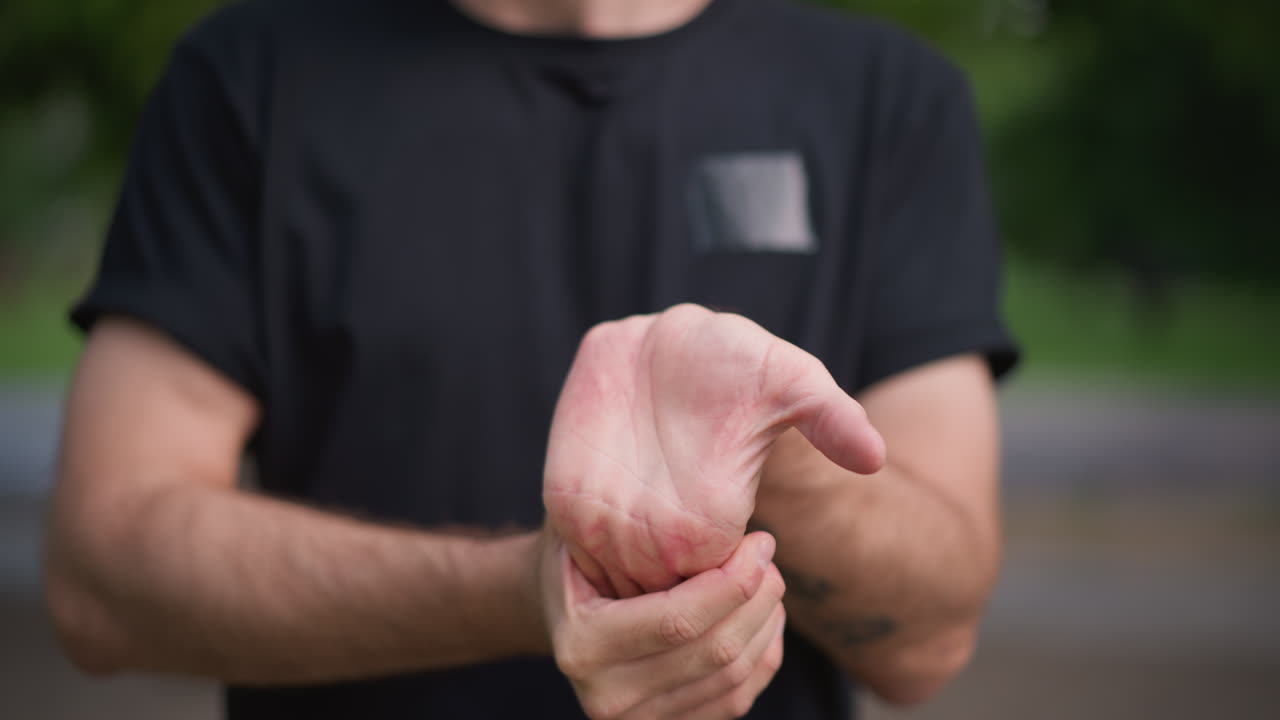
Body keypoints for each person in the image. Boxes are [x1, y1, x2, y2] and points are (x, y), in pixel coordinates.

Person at [44, 0, 1018, 718]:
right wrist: (522, 593)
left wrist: (782, 462)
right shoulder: (246, 76)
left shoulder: (887, 99)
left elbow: (926, 645)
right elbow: (101, 579)